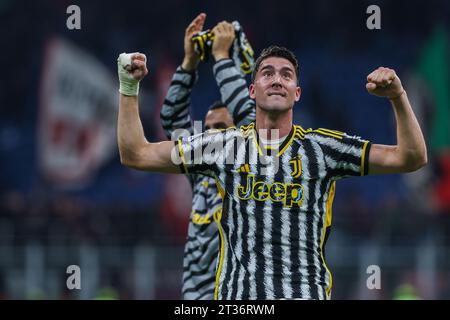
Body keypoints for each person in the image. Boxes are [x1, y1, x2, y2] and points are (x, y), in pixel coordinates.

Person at [117, 46, 427, 299]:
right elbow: (136, 154)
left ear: (297, 93)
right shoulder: (222, 146)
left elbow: (411, 157)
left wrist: (398, 97)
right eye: (267, 73)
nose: (277, 80)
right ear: (252, 91)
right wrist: (129, 87)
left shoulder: (323, 148)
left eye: (286, 75)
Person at [158, 13, 255, 299]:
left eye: (222, 128)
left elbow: (251, 116)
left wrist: (223, 57)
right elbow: (173, 119)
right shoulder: (201, 172)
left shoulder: (254, 169)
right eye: (208, 128)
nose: (212, 135)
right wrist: (189, 63)